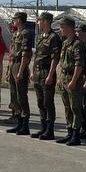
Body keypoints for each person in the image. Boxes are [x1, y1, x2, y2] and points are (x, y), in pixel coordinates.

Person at [30, 12, 62, 141]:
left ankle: (50, 130)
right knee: (40, 101)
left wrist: (50, 75)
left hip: (46, 72)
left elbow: (55, 58)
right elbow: (36, 56)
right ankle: (43, 127)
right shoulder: (41, 37)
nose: (38, 23)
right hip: (38, 72)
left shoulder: (53, 37)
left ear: (45, 21)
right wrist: (32, 71)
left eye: (39, 21)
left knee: (48, 102)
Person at [56, 17, 86, 146]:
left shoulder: (77, 44)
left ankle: (76, 134)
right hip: (64, 77)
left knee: (75, 107)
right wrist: (59, 77)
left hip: (72, 78)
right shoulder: (65, 43)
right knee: (67, 106)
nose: (61, 30)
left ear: (68, 27)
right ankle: (69, 132)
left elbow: (79, 64)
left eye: (62, 27)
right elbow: (62, 63)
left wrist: (73, 80)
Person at [5, 12, 32, 135]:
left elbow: (25, 54)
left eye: (15, 19)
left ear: (20, 20)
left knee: (21, 96)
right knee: (14, 94)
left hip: (20, 64)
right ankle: (19, 122)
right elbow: (12, 52)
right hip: (13, 64)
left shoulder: (25, 34)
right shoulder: (16, 34)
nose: (13, 21)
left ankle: (25, 125)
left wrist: (21, 71)